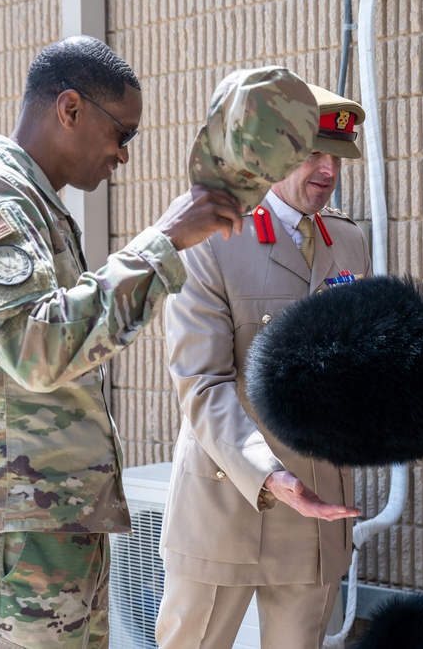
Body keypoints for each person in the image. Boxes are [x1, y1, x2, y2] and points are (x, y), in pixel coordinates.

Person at [0, 36, 320, 648]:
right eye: (123, 134)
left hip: (48, 523)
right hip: (12, 535)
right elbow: (37, 350)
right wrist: (163, 241)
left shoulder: (34, 205)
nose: (122, 156)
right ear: (69, 109)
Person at [155, 83, 370, 649]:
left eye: (336, 157)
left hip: (317, 507)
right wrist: (269, 473)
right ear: (272, 152)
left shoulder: (348, 243)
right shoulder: (208, 238)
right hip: (227, 501)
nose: (327, 170)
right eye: (312, 154)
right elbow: (201, 382)